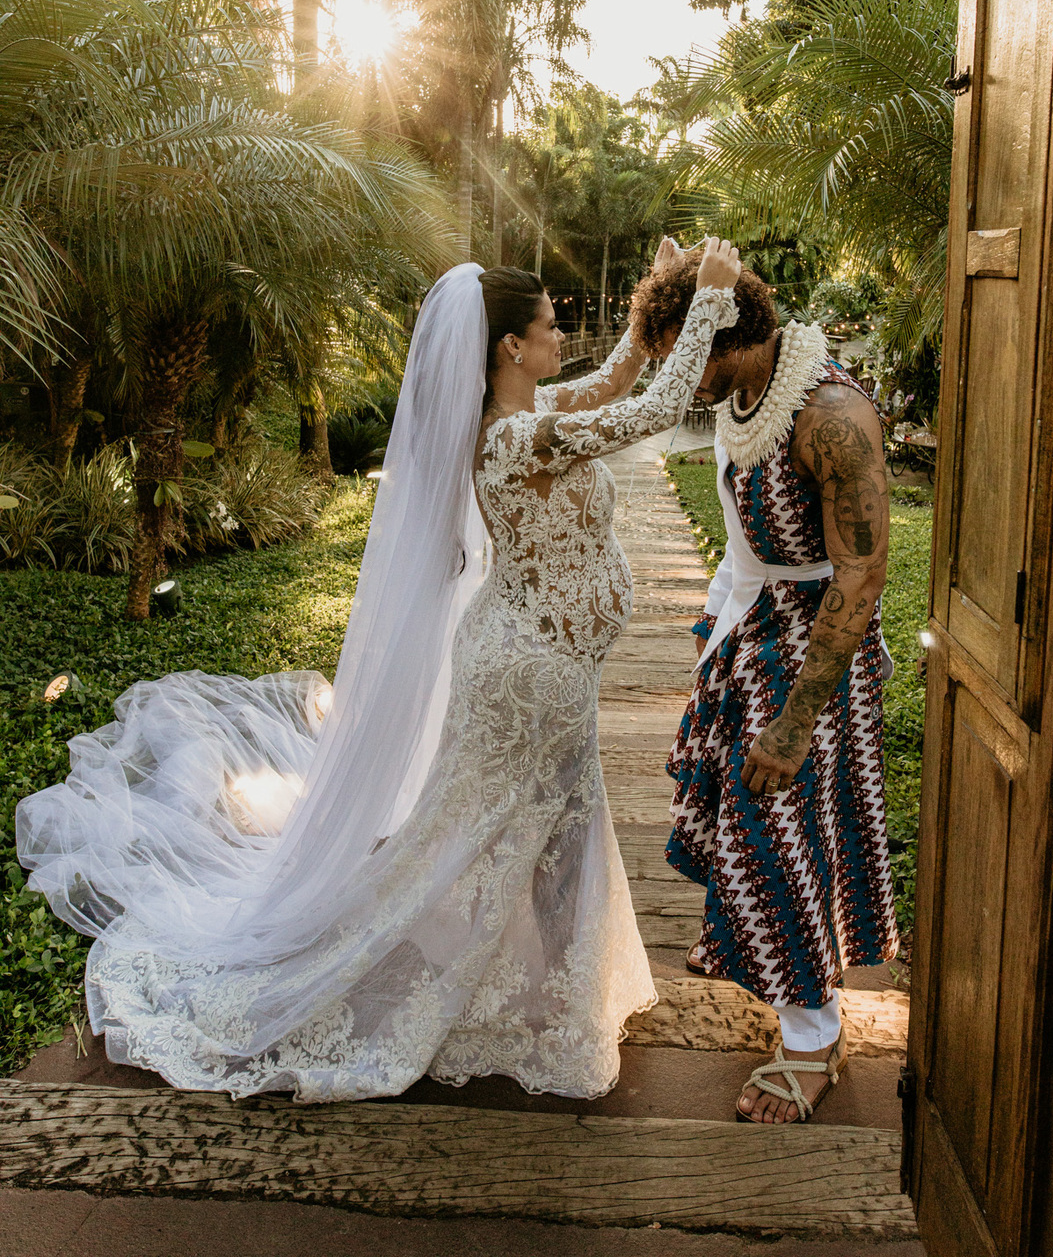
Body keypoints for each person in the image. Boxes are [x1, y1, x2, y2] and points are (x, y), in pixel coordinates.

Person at [16, 239, 741, 1101]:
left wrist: (655, 300)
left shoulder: (538, 408)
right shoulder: (517, 438)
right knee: (479, 835)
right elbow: (656, 410)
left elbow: (621, 382)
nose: (560, 337)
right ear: (512, 346)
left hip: (554, 666)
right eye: (551, 325)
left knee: (552, 828)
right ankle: (478, 989)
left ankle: (560, 993)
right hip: (526, 674)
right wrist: (707, 300)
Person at [629, 251, 897, 1125]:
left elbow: (861, 576)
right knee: (747, 829)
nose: (679, 379)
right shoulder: (743, 397)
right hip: (752, 634)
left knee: (779, 834)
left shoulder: (830, 416)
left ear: (728, 336)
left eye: (684, 357)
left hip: (817, 654)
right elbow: (746, 546)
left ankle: (815, 1040)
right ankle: (774, 976)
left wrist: (793, 722)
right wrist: (713, 632)